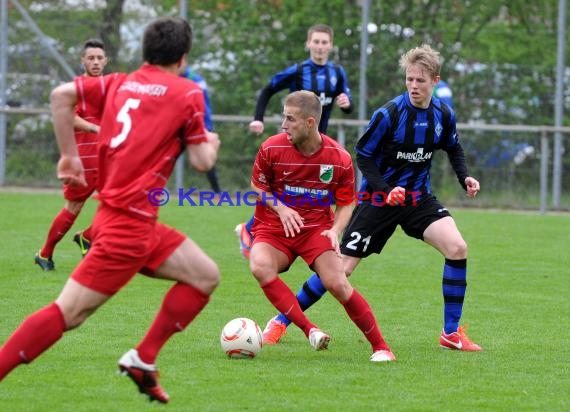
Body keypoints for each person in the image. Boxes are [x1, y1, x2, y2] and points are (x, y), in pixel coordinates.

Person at [0, 17, 220, 403]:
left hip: (128, 218)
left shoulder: (120, 81)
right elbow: (202, 161)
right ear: (183, 58)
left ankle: (143, 358)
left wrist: (69, 155)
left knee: (205, 275)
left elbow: (59, 96)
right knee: (69, 313)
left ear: (146, 52)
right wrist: (212, 141)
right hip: (127, 229)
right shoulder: (186, 93)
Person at [263, 44, 483, 353]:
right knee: (340, 270)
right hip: (378, 201)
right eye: (409, 79)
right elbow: (363, 156)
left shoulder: (443, 114)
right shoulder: (389, 114)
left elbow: (453, 148)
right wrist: (384, 188)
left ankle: (450, 333)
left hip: (418, 199)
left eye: (420, 80)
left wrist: (465, 178)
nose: (414, 86)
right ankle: (282, 320)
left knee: (457, 247)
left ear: (435, 80)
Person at [249, 90, 394, 363]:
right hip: (273, 228)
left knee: (338, 283)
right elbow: (258, 185)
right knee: (259, 266)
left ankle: (382, 347)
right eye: (283, 117)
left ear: (310, 123)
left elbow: (346, 203)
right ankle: (309, 330)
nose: (283, 124)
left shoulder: (338, 157)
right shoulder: (271, 147)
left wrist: (335, 230)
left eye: (290, 119)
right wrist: (280, 208)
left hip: (316, 229)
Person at [236, 23, 353, 260]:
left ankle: (315, 237)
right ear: (308, 43)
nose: (320, 47)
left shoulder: (337, 73)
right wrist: (257, 118)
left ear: (330, 45)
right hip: (295, 142)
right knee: (284, 192)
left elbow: (346, 101)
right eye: (316, 42)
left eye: (324, 42)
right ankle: (252, 230)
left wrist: (347, 104)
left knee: (318, 197)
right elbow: (268, 89)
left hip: (320, 146)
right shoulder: (298, 71)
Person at [34, 38, 108, 271]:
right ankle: (45, 254)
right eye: (91, 58)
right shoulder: (75, 89)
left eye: (99, 58)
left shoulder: (111, 89)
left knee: (120, 208)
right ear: (83, 61)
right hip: (83, 163)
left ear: (105, 61)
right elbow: (70, 118)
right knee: (72, 210)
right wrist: (95, 127)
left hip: (107, 161)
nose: (95, 62)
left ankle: (87, 236)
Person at [181, 63, 223, 194]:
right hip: (182, 122)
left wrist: (206, 126)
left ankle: (217, 191)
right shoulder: (177, 77)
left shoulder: (194, 79)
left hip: (200, 123)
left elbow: (203, 104)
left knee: (206, 159)